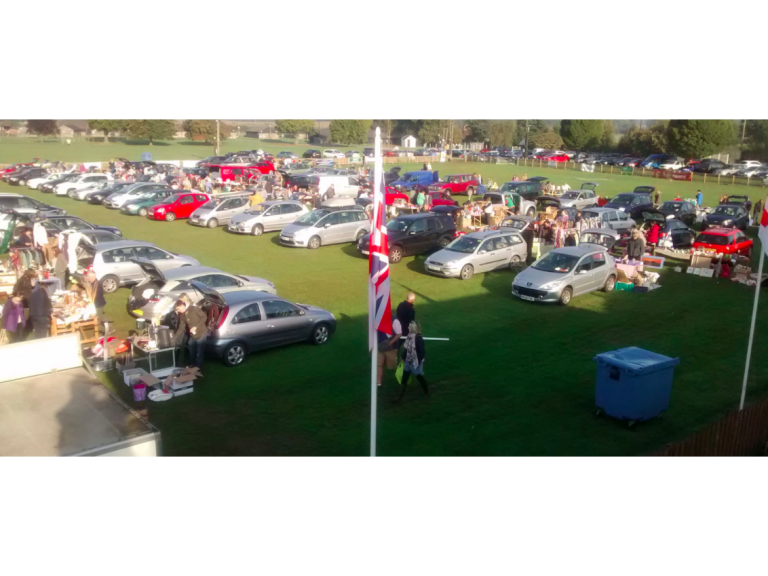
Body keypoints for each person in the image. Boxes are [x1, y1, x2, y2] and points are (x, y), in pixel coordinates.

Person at [396, 321, 429, 402]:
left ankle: (426, 392)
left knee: (419, 377)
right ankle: (399, 398)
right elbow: (408, 349)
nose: (408, 327)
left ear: (413, 328)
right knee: (404, 379)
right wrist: (403, 356)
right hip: (408, 361)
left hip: (415, 363)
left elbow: (422, 353)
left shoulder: (419, 339)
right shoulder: (410, 336)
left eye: (409, 327)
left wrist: (417, 363)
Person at [172, 299, 208, 369]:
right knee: (191, 348)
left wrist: (196, 327)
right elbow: (181, 327)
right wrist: (174, 337)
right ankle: (193, 364)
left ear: (182, 306)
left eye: (178, 309)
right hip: (193, 335)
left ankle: (197, 367)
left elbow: (204, 317)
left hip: (201, 332)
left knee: (199, 350)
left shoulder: (194, 309)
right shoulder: (182, 315)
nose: (178, 311)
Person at [376, 317, 402, 387]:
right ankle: (378, 383)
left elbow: (399, 334)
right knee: (379, 365)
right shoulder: (378, 318)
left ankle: (403, 379)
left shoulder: (394, 320)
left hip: (391, 348)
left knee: (394, 365)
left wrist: (390, 343)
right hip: (379, 347)